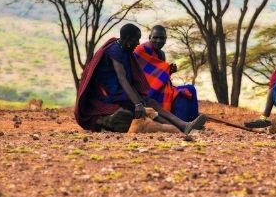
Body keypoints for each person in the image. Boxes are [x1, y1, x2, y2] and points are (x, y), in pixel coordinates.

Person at [74, 23, 207, 134]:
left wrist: (139, 100)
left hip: (122, 91)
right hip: (110, 94)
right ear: (127, 39)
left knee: (151, 103)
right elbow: (122, 78)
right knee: (145, 108)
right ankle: (182, 128)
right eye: (135, 39)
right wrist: (137, 103)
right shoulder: (115, 51)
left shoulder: (125, 50)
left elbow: (130, 79)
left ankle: (184, 125)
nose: (138, 43)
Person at [134, 25, 199, 122]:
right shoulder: (140, 50)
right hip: (146, 91)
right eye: (155, 37)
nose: (158, 40)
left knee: (190, 89)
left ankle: (192, 120)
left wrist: (169, 71)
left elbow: (159, 75)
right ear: (149, 37)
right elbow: (138, 74)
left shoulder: (161, 54)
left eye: (162, 38)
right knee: (180, 94)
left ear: (165, 40)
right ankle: (182, 123)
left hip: (160, 88)